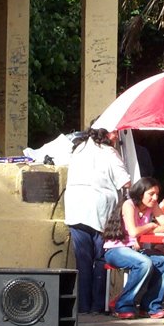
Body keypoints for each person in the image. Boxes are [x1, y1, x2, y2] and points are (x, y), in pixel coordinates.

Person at [64, 127, 131, 314]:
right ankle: (98, 306)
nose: (117, 137)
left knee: (83, 262)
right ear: (106, 133)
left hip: (76, 211)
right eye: (115, 133)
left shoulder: (78, 149)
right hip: (100, 213)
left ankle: (83, 307)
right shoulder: (109, 152)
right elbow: (125, 182)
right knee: (101, 259)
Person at [102, 177, 164, 319]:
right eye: (151, 194)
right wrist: (151, 225)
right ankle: (123, 305)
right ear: (141, 193)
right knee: (144, 263)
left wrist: (145, 230)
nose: (155, 198)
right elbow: (133, 232)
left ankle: (150, 306)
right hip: (116, 250)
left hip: (135, 250)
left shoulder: (152, 206)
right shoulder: (129, 205)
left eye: (157, 194)